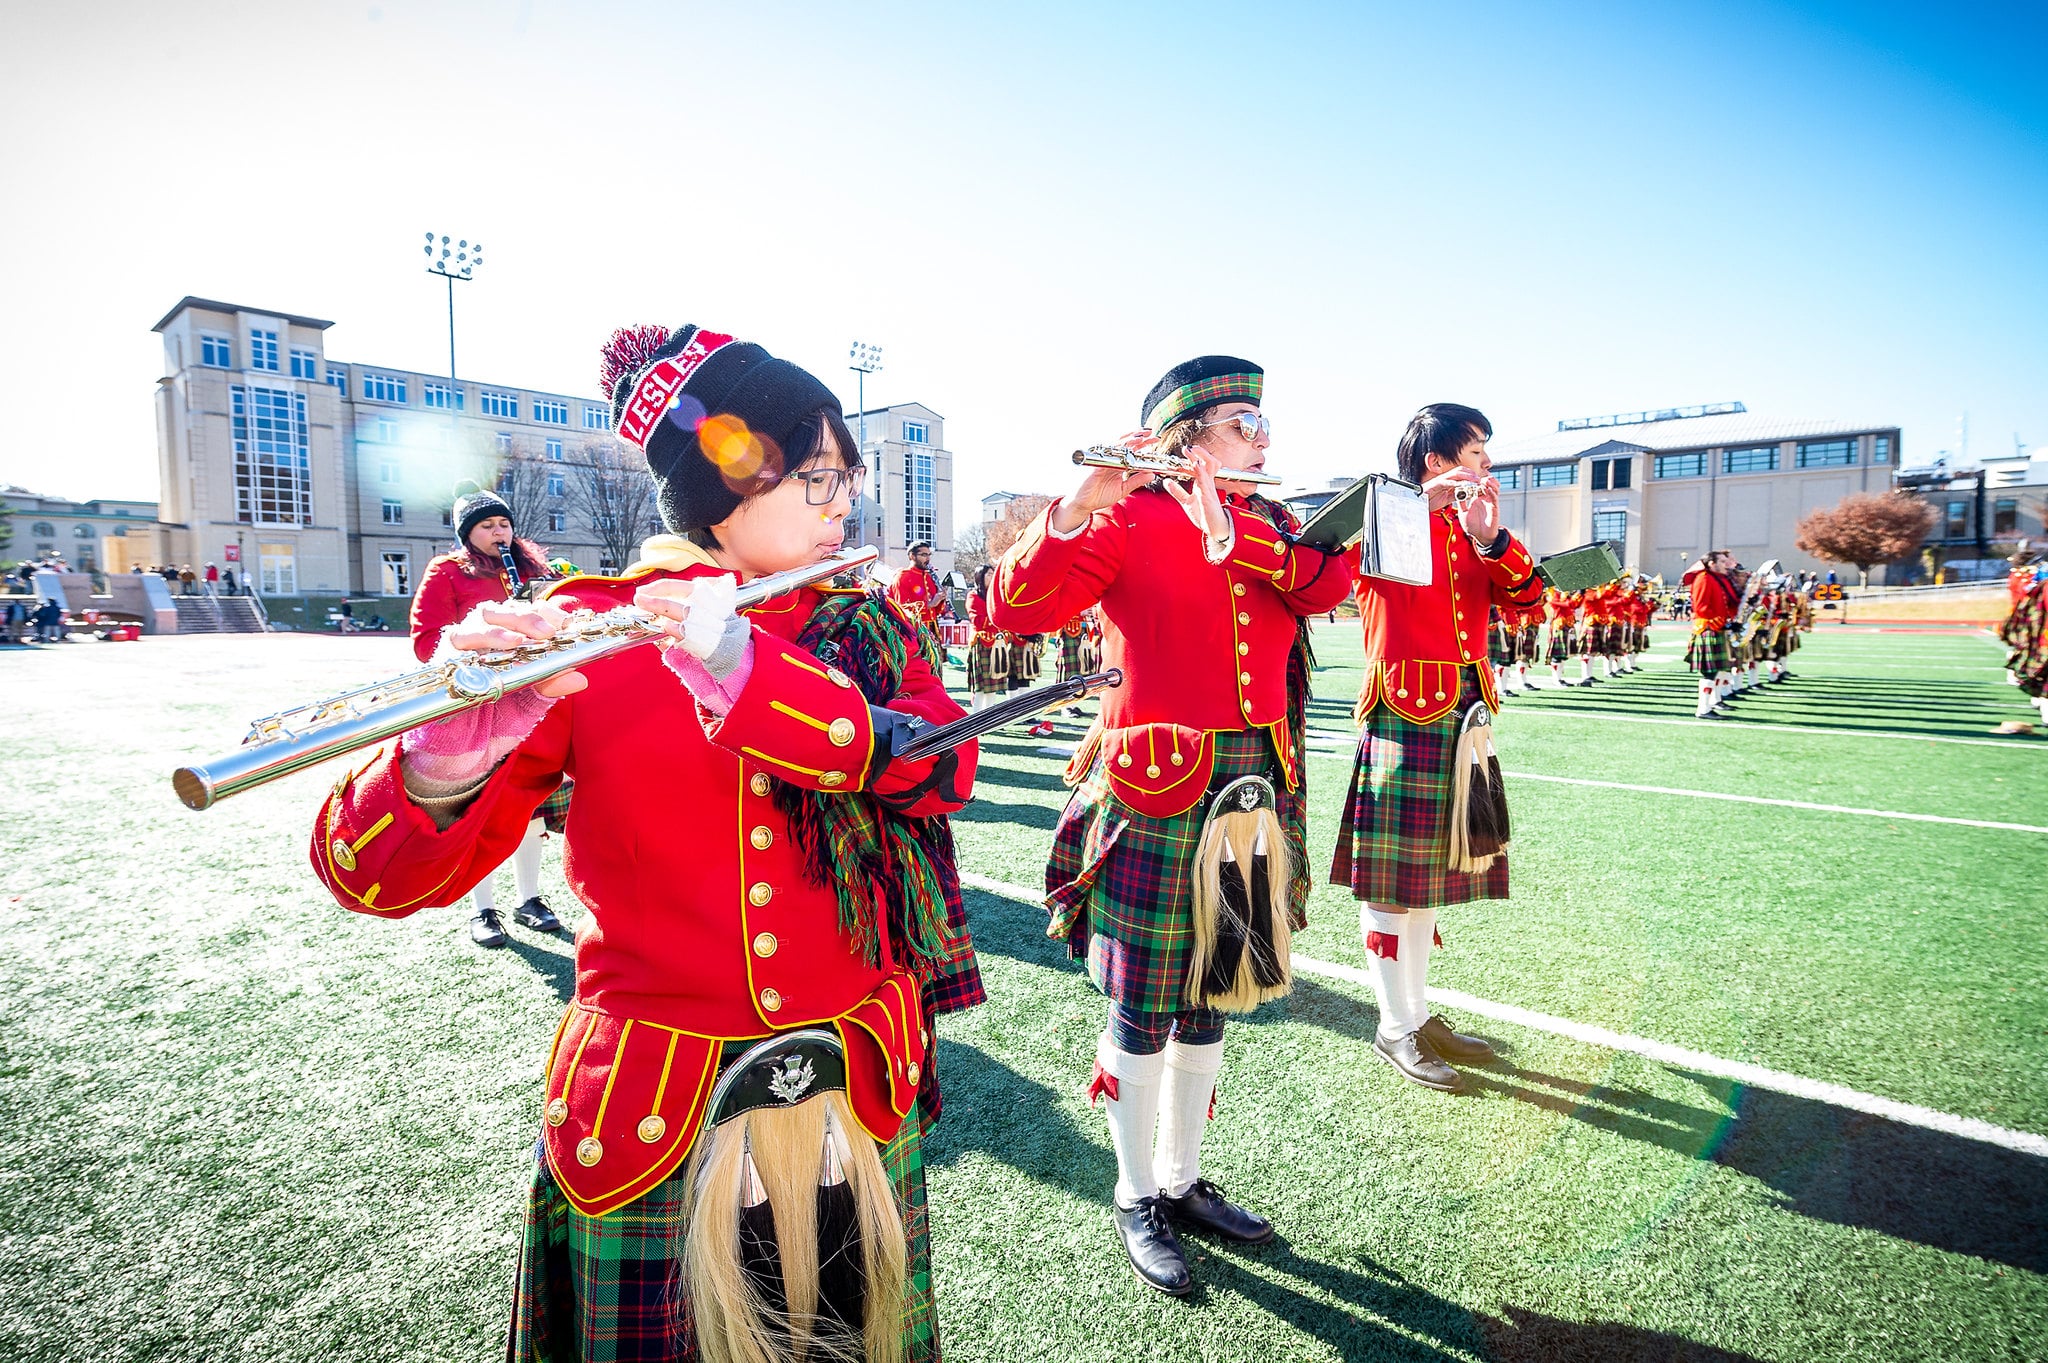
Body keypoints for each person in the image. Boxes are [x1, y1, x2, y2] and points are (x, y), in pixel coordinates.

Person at [311, 321, 980, 1362]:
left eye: (845, 477)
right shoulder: (591, 628)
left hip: (855, 1087)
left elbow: (939, 765)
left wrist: (753, 670)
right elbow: (381, 884)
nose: (843, 501)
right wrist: (440, 762)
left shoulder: (867, 626)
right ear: (725, 485)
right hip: (654, 1114)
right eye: (814, 476)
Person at [992, 355, 1351, 1295]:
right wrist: (1082, 498)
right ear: (1186, 439)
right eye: (1242, 423)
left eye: (1262, 423)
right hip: (1156, 789)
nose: (1263, 439)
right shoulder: (1130, 518)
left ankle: (1184, 1180)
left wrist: (1236, 532)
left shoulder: (1270, 527)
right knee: (1143, 1003)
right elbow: (1012, 607)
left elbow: (1325, 587)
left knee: (1210, 990)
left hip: (1249, 788)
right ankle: (1134, 1189)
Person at [1332, 404, 1543, 1093]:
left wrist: (1492, 538)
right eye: (1476, 451)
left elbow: (1529, 604)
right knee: (1395, 886)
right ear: (1435, 460)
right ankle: (1394, 1028)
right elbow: (1356, 578)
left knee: (1425, 883)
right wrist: (1422, 509)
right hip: (1402, 711)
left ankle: (1414, 1015)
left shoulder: (1472, 531)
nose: (1486, 464)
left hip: (1463, 717)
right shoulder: (1383, 517)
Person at [409, 482, 567, 948]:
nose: (499, 532)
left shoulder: (534, 568)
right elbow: (425, 643)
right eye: (486, 525)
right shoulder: (447, 572)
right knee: (486, 810)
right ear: (467, 533)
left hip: (533, 702)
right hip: (482, 706)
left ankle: (530, 899)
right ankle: (483, 909)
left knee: (530, 805)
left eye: (504, 523)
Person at [1683, 550, 1742, 717]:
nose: (1726, 565)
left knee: (1717, 670)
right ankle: (1703, 708)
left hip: (1717, 628)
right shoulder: (1704, 578)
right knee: (1709, 673)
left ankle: (1713, 702)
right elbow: (1701, 608)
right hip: (1709, 629)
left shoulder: (1716, 579)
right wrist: (1723, 623)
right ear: (1712, 563)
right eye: (1722, 562)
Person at [964, 565, 1009, 712]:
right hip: (982, 643)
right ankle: (976, 716)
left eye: (993, 574)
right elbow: (977, 621)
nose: (992, 576)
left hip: (997, 644)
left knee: (992, 687)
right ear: (980, 577)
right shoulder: (973, 595)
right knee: (981, 687)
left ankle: (988, 717)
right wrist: (996, 617)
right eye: (989, 574)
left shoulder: (996, 595)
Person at [887, 541, 947, 629]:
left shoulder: (930, 576)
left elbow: (935, 611)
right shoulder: (902, 577)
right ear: (912, 556)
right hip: (913, 629)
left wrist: (941, 599)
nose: (928, 558)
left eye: (929, 555)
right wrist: (929, 604)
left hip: (932, 628)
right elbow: (900, 608)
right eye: (924, 555)